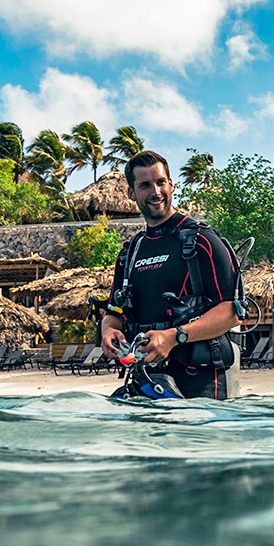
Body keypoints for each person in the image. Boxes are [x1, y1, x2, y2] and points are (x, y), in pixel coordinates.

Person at [100, 150, 243, 399]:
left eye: (160, 182)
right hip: (147, 378)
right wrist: (108, 332)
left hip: (201, 381)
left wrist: (174, 337)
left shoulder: (202, 241)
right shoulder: (130, 252)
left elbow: (233, 313)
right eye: (145, 185)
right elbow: (114, 313)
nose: (155, 192)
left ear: (171, 185)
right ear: (131, 193)